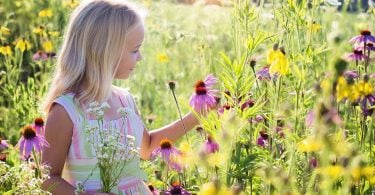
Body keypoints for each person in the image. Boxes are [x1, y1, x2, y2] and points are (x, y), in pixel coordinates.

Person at [41, 0, 201, 194]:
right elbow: (48, 178)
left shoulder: (125, 100)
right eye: (134, 50)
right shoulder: (66, 110)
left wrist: (196, 116)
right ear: (105, 51)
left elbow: (147, 147)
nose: (140, 57)